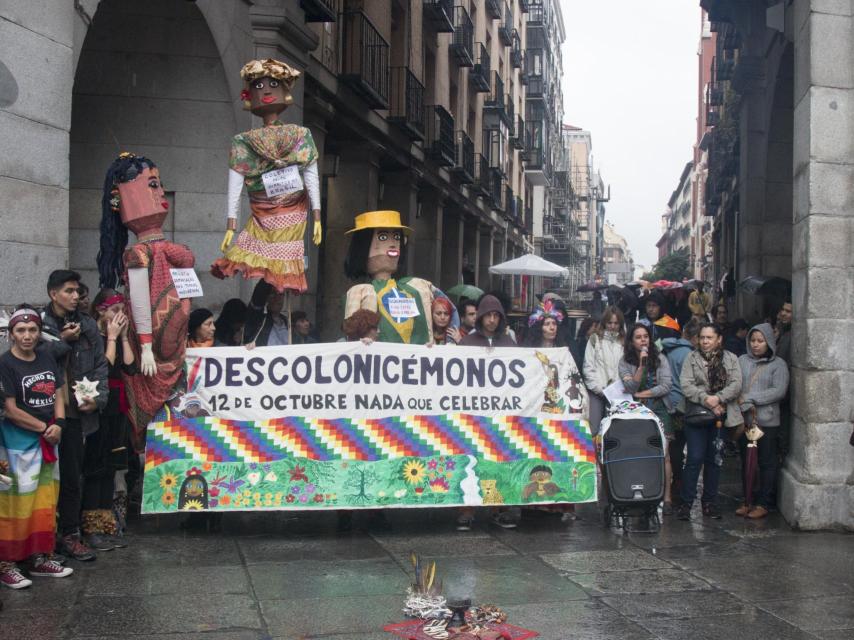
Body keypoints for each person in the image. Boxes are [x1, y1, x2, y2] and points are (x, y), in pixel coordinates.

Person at [212, 58, 322, 293]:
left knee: (283, 261)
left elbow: (312, 176)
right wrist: (231, 224)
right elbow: (236, 182)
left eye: (273, 84)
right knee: (264, 260)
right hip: (261, 211)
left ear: (285, 90)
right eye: (259, 86)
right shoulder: (243, 141)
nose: (267, 91)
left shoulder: (300, 135)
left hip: (294, 209)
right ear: (249, 95)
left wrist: (317, 216)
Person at [0, 307, 73, 588]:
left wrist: (61, 424)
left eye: (32, 330)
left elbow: (57, 392)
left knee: (44, 500)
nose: (27, 336)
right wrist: (45, 428)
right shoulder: (5, 364)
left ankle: (40, 557)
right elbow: (10, 410)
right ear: (11, 335)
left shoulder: (46, 357)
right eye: (21, 331)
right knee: (16, 502)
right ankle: (7, 562)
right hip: (17, 443)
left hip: (48, 439)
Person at [41, 270, 108, 562]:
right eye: (68, 291)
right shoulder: (37, 323)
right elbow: (30, 356)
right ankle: (40, 538)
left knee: (71, 476)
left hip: (75, 413)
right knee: (40, 479)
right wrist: (63, 341)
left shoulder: (88, 325)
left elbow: (100, 367)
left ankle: (70, 535)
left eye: (76, 291)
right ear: (53, 294)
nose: (74, 296)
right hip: (42, 413)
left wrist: (98, 399)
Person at [458, 295, 517, 530]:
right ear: (480, 317)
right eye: (488, 315)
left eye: (496, 316)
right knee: (471, 460)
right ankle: (466, 510)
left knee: (498, 462)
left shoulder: (509, 344)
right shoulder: (467, 344)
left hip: (500, 416)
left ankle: (497, 507)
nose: (492, 320)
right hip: (473, 416)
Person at [84, 289, 136, 550]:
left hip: (118, 406)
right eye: (114, 310)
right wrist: (112, 338)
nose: (119, 315)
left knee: (113, 465)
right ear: (100, 311)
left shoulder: (116, 335)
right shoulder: (92, 337)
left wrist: (124, 337)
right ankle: (91, 526)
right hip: (99, 405)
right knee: (96, 467)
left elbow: (129, 367)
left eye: (122, 311)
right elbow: (103, 369)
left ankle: (107, 524)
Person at [677, 322, 743, 520]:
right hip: (696, 415)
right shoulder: (692, 357)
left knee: (714, 460)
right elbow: (686, 385)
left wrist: (719, 398)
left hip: (721, 417)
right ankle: (686, 503)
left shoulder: (730, 358)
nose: (705, 341)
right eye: (702, 337)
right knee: (694, 458)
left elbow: (736, 384)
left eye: (709, 338)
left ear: (719, 339)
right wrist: (708, 400)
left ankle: (709, 503)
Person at [619, 323, 675, 509]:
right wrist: (641, 366)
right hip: (635, 411)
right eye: (638, 337)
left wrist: (643, 394)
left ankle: (667, 497)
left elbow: (666, 386)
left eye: (646, 336)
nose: (643, 340)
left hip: (659, 408)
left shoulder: (660, 358)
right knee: (639, 453)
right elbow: (629, 388)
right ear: (631, 341)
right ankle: (640, 493)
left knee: (664, 454)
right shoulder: (625, 361)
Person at [736, 323, 789, 519]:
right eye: (753, 340)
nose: (756, 344)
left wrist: (750, 398)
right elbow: (736, 384)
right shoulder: (742, 360)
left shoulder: (778, 365)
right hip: (745, 421)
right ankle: (747, 499)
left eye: (761, 341)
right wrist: (743, 402)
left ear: (769, 342)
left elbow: (778, 391)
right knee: (747, 462)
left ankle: (764, 502)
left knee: (766, 463)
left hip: (767, 421)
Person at [660, 318, 702, 509]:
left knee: (674, 446)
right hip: (682, 405)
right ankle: (679, 481)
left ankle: (675, 480)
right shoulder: (689, 355)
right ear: (694, 338)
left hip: (670, 403)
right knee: (680, 447)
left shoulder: (669, 350)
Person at [583, 306, 625, 434]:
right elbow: (588, 367)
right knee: (594, 429)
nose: (612, 326)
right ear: (604, 322)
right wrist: (600, 390)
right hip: (597, 392)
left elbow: (626, 369)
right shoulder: (595, 339)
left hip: (618, 393)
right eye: (610, 322)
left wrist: (617, 389)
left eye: (616, 323)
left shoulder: (624, 342)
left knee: (616, 431)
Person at [244, 281, 289, 347]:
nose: (277, 298)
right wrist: (268, 277)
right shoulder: (258, 319)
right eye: (273, 294)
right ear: (266, 297)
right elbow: (257, 299)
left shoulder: (287, 321)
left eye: (281, 294)